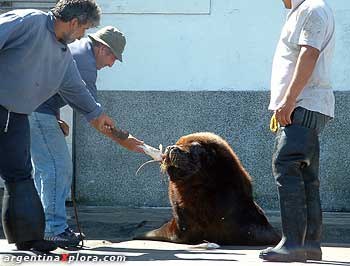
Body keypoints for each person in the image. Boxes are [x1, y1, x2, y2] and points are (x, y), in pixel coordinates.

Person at [0, 0, 142, 252]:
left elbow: (76, 89)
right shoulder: (29, 21)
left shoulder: (64, 54)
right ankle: (51, 229)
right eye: (83, 29)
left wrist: (98, 114)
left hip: (18, 114)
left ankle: (28, 239)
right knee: (44, 169)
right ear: (74, 22)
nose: (81, 36)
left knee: (19, 177)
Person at [29, 26, 142, 248]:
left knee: (45, 170)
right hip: (36, 112)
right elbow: (96, 117)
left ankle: (42, 227)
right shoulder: (85, 64)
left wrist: (55, 117)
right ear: (101, 47)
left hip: (33, 109)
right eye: (112, 57)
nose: (111, 64)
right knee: (57, 167)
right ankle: (54, 230)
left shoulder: (77, 50)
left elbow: (52, 86)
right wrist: (126, 142)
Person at [259, 0, 335, 262]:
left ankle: (293, 245)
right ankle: (310, 245)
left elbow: (309, 54)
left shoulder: (313, 8)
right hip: (307, 104)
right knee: (305, 177)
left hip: (303, 104)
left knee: (287, 165)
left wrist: (288, 101)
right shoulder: (303, 10)